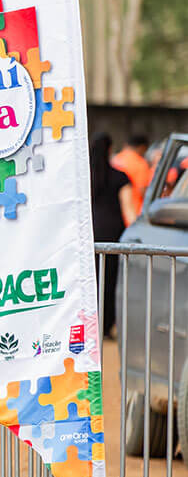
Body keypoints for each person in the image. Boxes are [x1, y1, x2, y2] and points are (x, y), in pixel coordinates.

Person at [91, 132, 134, 338]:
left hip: (87, 234)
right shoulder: (120, 177)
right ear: (109, 149)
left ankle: (88, 327)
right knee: (109, 281)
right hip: (112, 235)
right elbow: (129, 211)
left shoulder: (81, 176)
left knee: (88, 280)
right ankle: (106, 326)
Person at [110, 132, 153, 225]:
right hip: (133, 215)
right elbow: (143, 191)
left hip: (114, 214)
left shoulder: (114, 160)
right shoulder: (140, 164)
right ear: (142, 147)